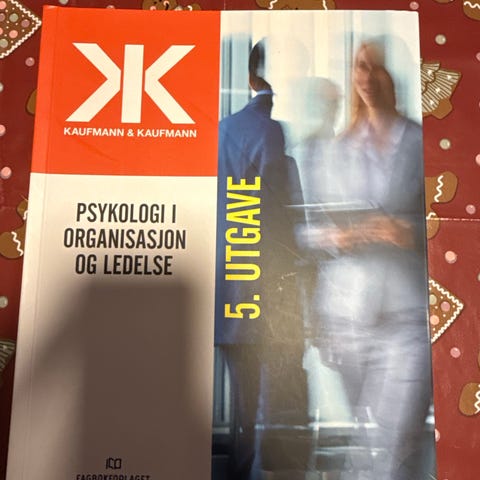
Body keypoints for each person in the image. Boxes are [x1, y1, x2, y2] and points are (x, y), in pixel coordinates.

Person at [305, 41, 434, 479]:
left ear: (393, 75)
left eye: (376, 67)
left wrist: (410, 232)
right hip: (347, 317)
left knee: (390, 442)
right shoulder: (334, 149)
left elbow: (456, 222)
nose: (366, 77)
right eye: (360, 67)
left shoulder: (421, 142)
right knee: (382, 441)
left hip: (407, 315)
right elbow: (305, 230)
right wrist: (336, 237)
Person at [215, 37, 308, 480]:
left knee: (244, 410)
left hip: (229, 288)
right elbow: (282, 216)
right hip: (267, 291)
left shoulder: (222, 130)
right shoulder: (274, 131)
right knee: (273, 407)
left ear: (250, 77)